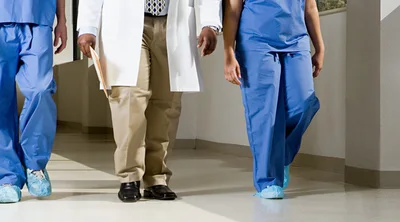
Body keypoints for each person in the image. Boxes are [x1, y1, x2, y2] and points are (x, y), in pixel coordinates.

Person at [77, 0, 222, 203]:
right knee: (129, 98)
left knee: (166, 103)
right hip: (123, 20)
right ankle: (129, 176)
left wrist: (210, 23)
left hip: (174, 20)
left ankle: (156, 177)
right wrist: (87, 27)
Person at [224, 0, 324, 199]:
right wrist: (228, 52)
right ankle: (268, 181)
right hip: (255, 41)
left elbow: (310, 7)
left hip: (297, 41)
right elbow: (233, 10)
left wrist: (320, 47)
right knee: (264, 114)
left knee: (304, 102)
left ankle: (282, 157)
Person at [0, 0, 67, 204]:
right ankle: (7, 176)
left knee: (41, 89)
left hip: (39, 18)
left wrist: (62, 20)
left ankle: (35, 163)